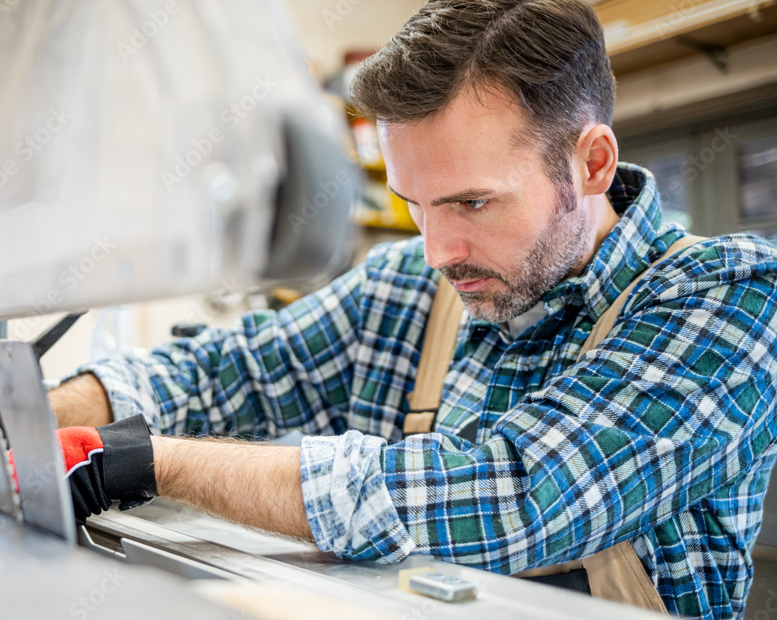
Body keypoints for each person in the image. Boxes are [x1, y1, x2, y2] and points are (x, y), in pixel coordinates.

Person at [49, 1, 777, 617]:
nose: (438, 250)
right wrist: (43, 413)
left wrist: (145, 462)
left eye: (473, 201)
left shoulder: (732, 299)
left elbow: (509, 493)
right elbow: (227, 371)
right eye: (415, 205)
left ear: (591, 164)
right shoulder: (408, 285)